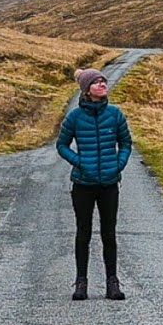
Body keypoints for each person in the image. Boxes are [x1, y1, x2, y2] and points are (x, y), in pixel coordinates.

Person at [56, 67, 133, 301]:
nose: (102, 84)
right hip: (83, 184)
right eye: (96, 82)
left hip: (109, 184)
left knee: (109, 233)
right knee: (83, 233)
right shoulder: (75, 117)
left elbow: (126, 143)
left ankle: (112, 283)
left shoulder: (115, 114)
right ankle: (81, 282)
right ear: (86, 90)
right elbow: (62, 145)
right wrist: (80, 162)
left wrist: (118, 164)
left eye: (103, 81)